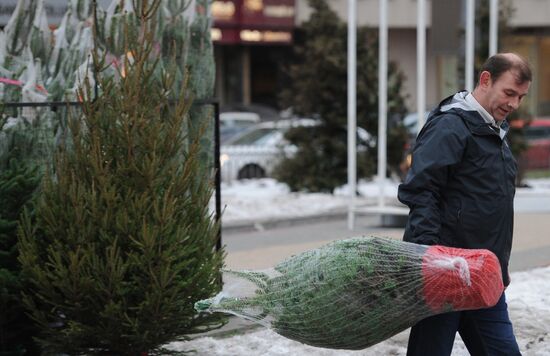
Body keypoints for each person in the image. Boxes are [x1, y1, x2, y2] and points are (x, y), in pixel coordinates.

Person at [398, 53, 532, 355]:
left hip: (483, 274)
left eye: (521, 97)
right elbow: (421, 191)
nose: (514, 104)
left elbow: (491, 209)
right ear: (486, 80)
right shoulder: (451, 126)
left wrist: (500, 268)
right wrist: (428, 261)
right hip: (445, 272)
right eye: (509, 93)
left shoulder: (493, 131)